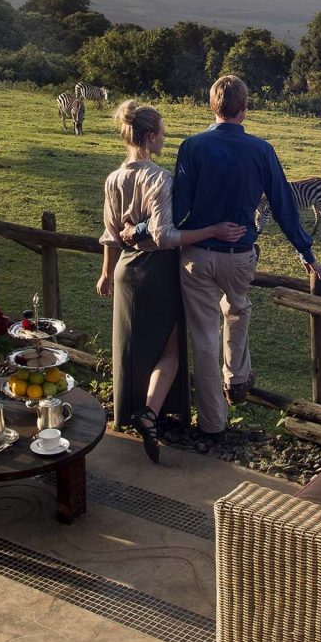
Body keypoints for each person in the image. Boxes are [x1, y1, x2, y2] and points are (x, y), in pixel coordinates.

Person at [172, 75, 321, 436]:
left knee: (204, 335)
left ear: (212, 106)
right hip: (240, 254)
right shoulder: (261, 150)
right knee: (238, 309)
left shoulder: (192, 147)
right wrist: (305, 251)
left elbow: (178, 205)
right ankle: (237, 378)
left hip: (196, 253)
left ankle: (212, 421)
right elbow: (283, 204)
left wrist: (148, 229)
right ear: (245, 107)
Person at [96, 101, 244, 462]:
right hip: (157, 269)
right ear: (149, 136)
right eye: (162, 131)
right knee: (172, 348)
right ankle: (149, 412)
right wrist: (213, 230)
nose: (165, 137)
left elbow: (111, 234)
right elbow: (164, 237)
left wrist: (105, 273)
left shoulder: (113, 178)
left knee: (131, 344)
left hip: (125, 270)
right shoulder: (158, 178)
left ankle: (137, 410)